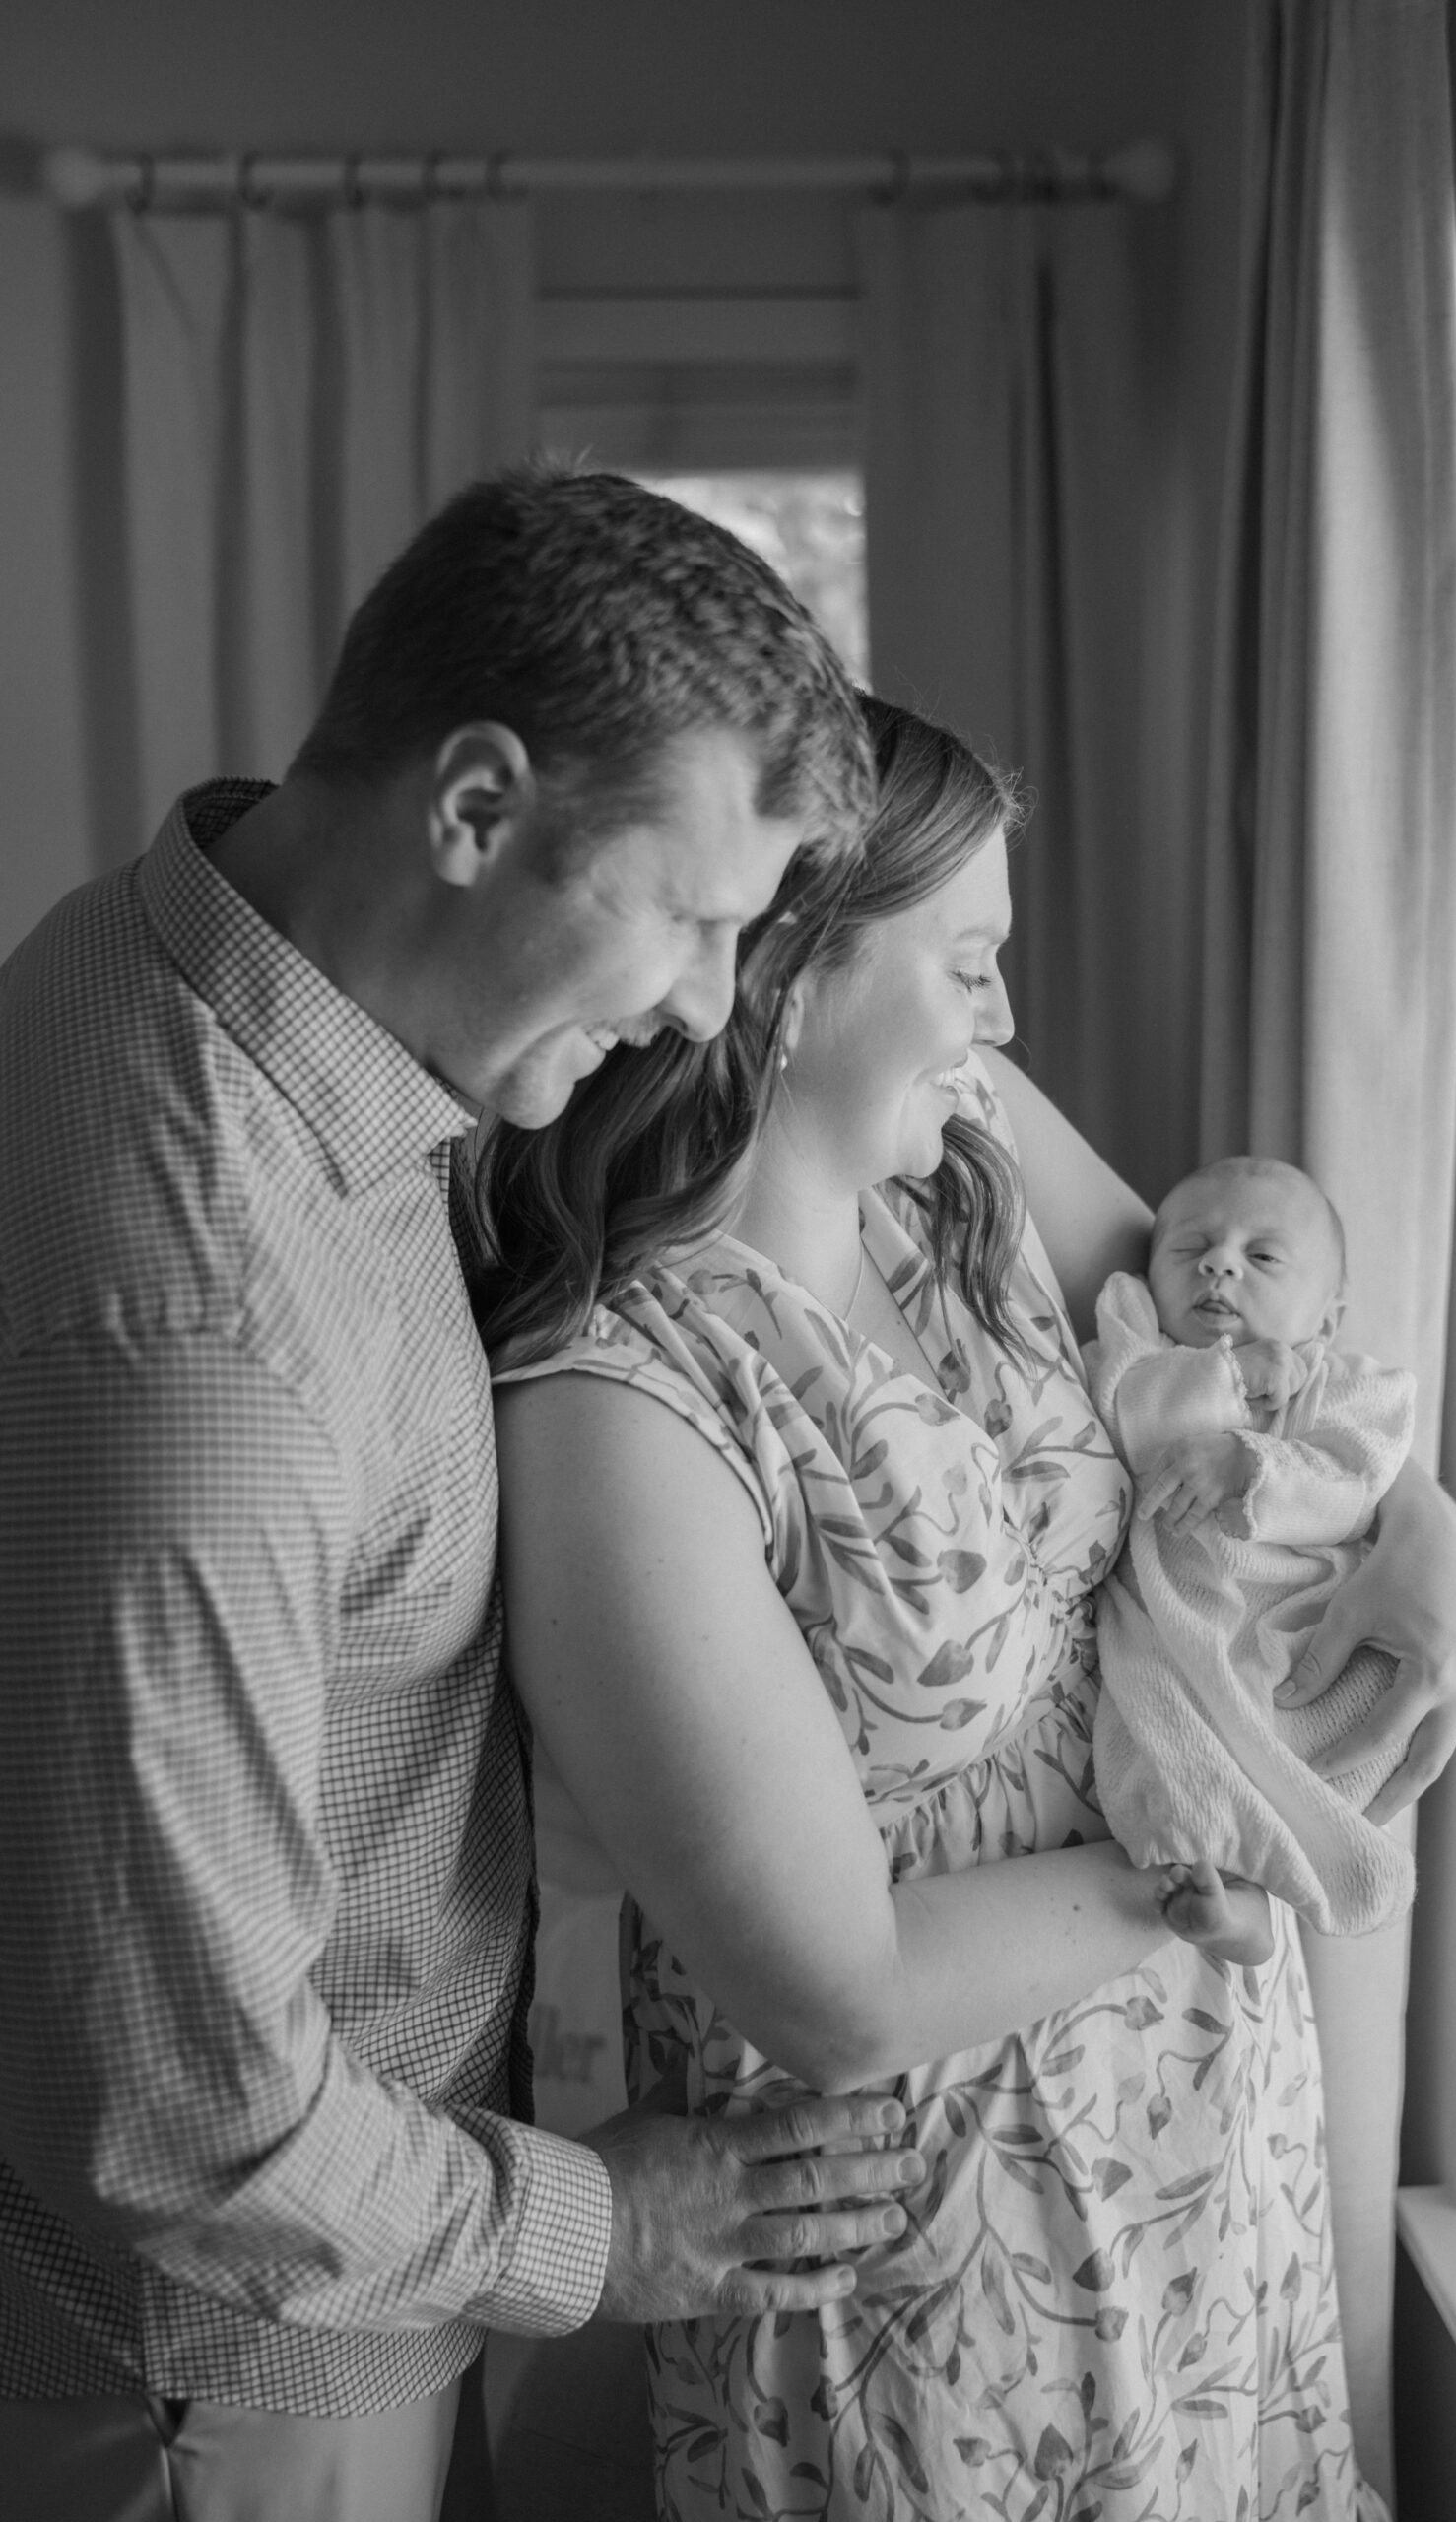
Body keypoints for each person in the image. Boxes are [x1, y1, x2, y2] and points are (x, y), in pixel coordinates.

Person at [0, 465, 930, 2522]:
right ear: (476, 805)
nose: (702, 997)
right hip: (219, 2378)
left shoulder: (191, 961)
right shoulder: (206, 1345)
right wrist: (609, 2232)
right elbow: (180, 2122)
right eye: (692, 913)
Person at [481, 695, 1456, 2520]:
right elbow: (840, 1990)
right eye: (966, 966)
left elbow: (1254, 1357)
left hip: (1200, 2135)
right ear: (778, 984)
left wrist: (1427, 1532)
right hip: (934, 2248)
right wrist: (1218, 1874)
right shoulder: (617, 1405)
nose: (1005, 1020)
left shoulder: (965, 1159)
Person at [1087, 1156, 1418, 1938]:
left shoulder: (1351, 1387)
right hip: (1176, 1625)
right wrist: (1228, 1379)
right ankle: (1232, 1901)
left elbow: (1355, 1481)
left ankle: (1297, 1886)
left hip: (1298, 1616)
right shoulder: (1137, 1351)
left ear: (1327, 1320)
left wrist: (1251, 1463)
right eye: (1189, 1247)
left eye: (1261, 1257)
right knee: (1162, 1749)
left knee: (1333, 1739)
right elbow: (1131, 1421)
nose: (1218, 1263)